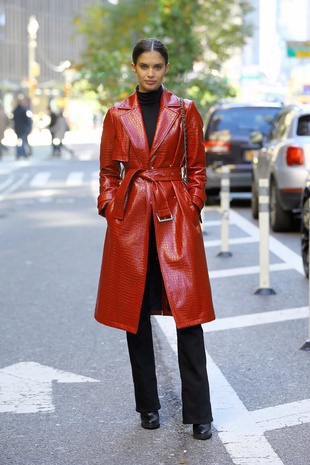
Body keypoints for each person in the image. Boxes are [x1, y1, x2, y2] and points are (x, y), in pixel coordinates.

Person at [94, 38, 216, 440]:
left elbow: (197, 166)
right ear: (133, 68)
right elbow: (108, 170)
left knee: (189, 314)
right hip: (131, 219)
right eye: (144, 66)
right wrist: (111, 206)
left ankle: (200, 413)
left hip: (174, 216)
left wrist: (193, 202)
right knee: (135, 317)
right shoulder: (117, 113)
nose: (150, 73)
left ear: (166, 68)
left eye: (157, 67)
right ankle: (148, 405)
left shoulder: (185, 110)